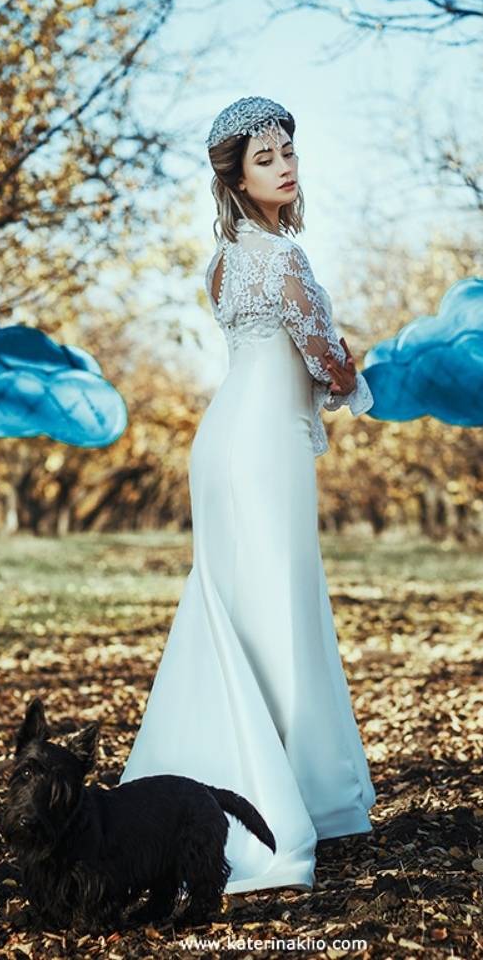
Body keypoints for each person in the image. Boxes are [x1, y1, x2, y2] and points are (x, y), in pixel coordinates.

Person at [117, 96, 377, 894]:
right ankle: (277, 803)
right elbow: (323, 362)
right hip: (262, 450)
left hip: (225, 438)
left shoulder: (223, 262)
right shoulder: (283, 259)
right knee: (279, 613)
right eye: (266, 158)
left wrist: (328, 364)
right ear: (235, 175)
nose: (286, 164)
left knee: (236, 609)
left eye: (290, 150)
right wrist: (353, 370)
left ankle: (220, 792)